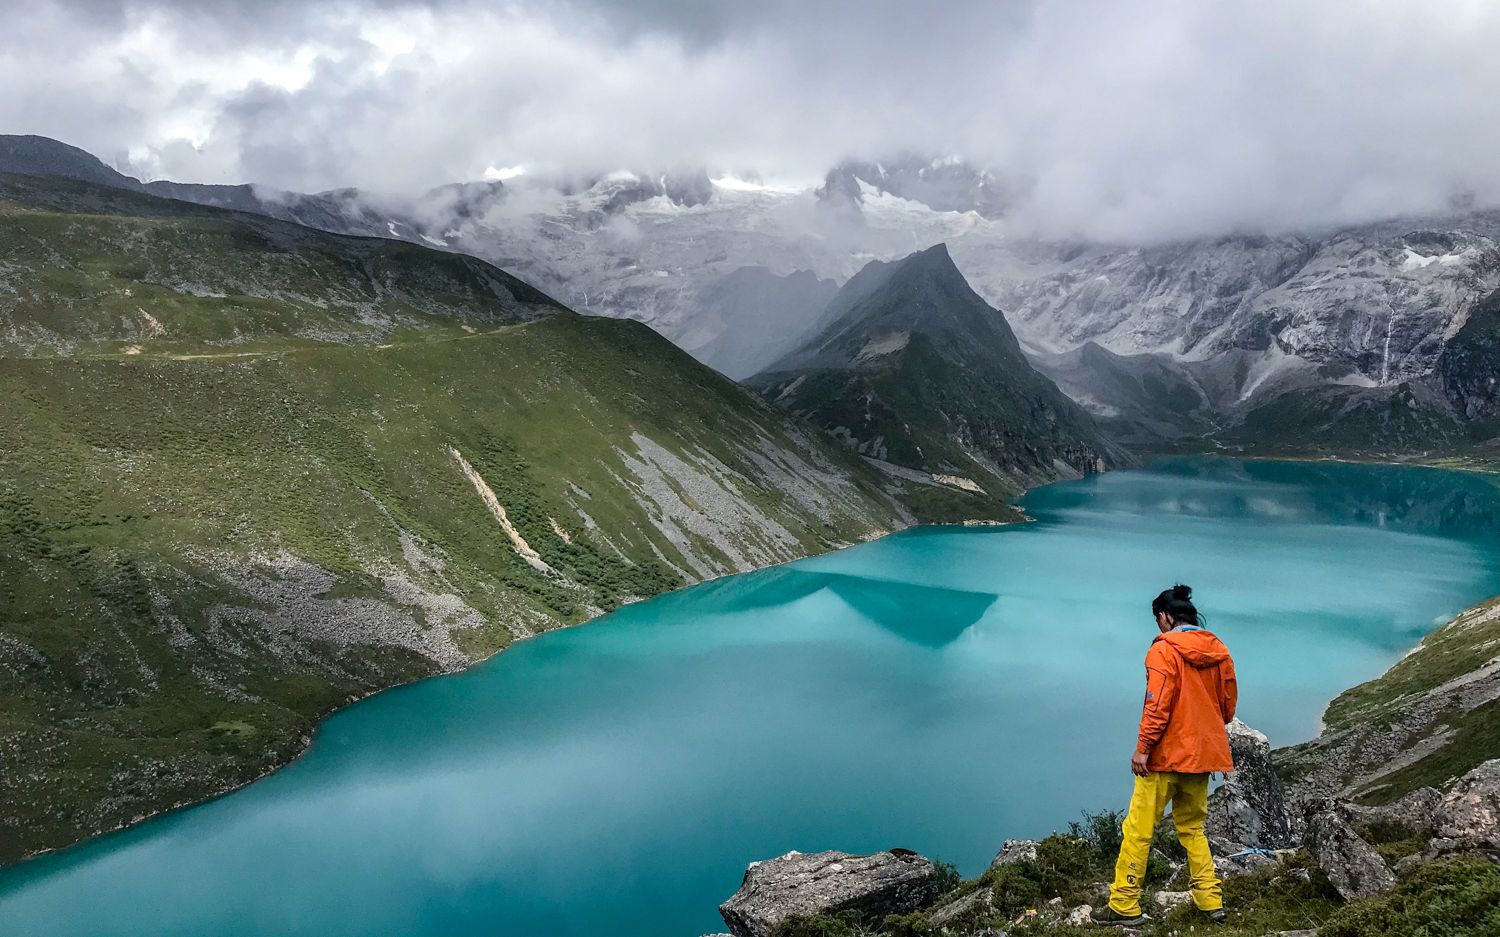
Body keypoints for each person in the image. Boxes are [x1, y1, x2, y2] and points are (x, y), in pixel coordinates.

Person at [1092, 584, 1238, 927]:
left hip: (1165, 757)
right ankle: (1210, 901)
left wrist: (1143, 749)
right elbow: (1227, 707)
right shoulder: (1219, 651)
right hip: (1201, 756)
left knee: (1139, 829)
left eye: (1157, 618)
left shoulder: (1164, 650)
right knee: (1193, 828)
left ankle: (1124, 904)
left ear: (1164, 616)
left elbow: (1156, 705)